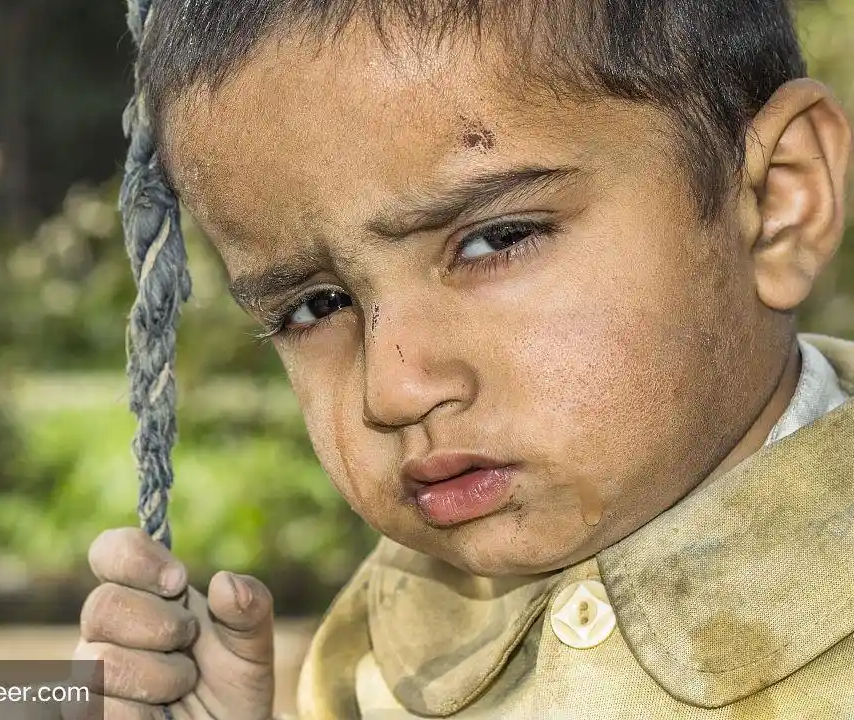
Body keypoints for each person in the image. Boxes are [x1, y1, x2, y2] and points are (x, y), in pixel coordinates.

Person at [75, 1, 854, 717]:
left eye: (496, 239)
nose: (395, 388)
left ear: (779, 203)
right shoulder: (371, 655)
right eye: (316, 307)